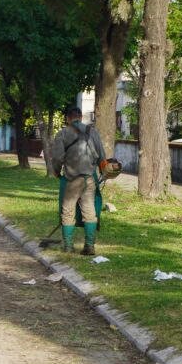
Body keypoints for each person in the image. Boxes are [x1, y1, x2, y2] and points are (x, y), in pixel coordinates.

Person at [51, 106, 108, 255]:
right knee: (89, 210)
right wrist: (104, 172)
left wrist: (56, 172)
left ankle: (68, 247)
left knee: (68, 210)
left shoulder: (62, 134)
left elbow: (57, 158)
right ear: (81, 118)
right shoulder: (93, 132)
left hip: (72, 179)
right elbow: (102, 156)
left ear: (68, 119)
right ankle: (89, 246)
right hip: (89, 178)